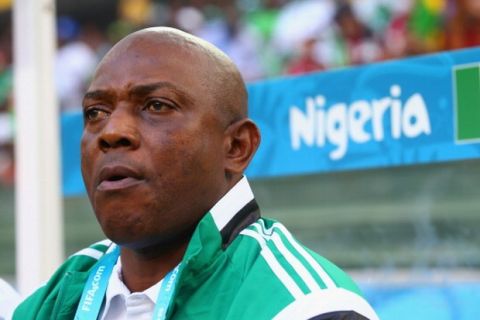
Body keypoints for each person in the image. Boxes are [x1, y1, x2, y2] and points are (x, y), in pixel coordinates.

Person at [13, 27, 378, 319]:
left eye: (156, 105)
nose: (111, 132)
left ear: (237, 147)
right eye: (96, 112)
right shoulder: (58, 298)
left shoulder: (306, 308)